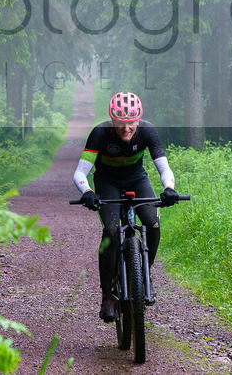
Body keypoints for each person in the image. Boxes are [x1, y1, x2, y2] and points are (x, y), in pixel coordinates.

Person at [72, 91, 179, 322]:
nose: (126, 128)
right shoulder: (100, 133)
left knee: (152, 223)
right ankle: (107, 297)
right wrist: (88, 192)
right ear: (112, 120)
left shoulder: (147, 131)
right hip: (107, 181)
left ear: (138, 120)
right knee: (110, 231)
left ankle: (144, 274)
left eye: (131, 122)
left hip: (136, 179)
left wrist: (169, 188)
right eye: (120, 123)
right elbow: (80, 172)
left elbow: (163, 166)